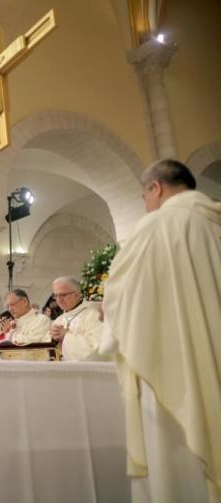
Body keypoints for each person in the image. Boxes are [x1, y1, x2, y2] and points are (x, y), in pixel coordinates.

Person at [101, 159, 221, 501]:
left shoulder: (154, 227)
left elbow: (121, 300)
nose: (146, 203)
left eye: (143, 196)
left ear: (156, 187)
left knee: (180, 464)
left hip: (174, 366)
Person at [47, 276, 105, 361]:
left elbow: (97, 349)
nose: (59, 300)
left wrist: (65, 337)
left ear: (77, 294)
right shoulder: (58, 320)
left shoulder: (93, 315)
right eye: (56, 295)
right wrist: (53, 340)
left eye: (63, 295)